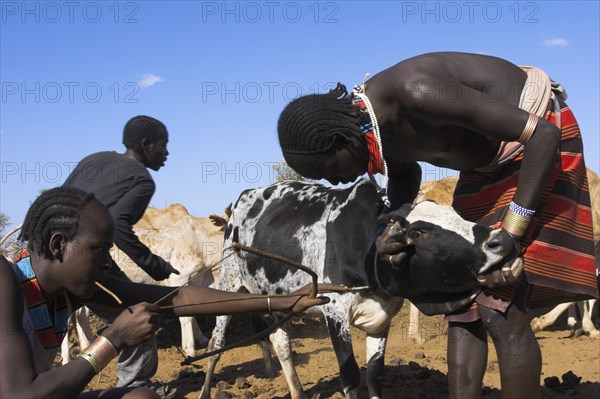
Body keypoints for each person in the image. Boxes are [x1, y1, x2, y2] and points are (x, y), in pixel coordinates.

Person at [276, 51, 598, 398]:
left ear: (341, 140)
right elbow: (405, 171)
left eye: (330, 171)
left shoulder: (415, 92)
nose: (336, 182)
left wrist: (512, 231)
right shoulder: (373, 128)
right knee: (461, 307)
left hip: (534, 142)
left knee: (499, 306)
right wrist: (390, 223)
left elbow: (542, 136)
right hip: (484, 169)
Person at [0, 187, 341, 399]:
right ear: (59, 245)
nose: (107, 263)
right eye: (99, 250)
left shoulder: (71, 288)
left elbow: (176, 299)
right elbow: (19, 395)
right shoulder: (5, 279)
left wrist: (282, 301)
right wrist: (113, 340)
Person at [62, 115, 179, 396]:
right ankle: (134, 389)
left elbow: (59, 199)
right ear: (146, 145)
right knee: (139, 314)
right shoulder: (142, 179)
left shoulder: (95, 159)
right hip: (80, 260)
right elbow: (119, 225)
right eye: (163, 146)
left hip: (42, 251)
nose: (167, 153)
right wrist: (156, 265)